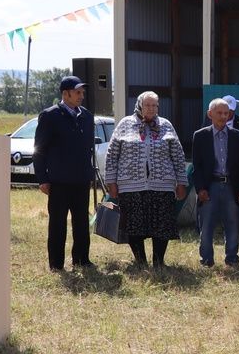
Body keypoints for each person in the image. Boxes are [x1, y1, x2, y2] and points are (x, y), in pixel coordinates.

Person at [104, 91, 188, 269]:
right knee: (135, 225)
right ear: (139, 106)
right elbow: (112, 155)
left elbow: (178, 156)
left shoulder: (165, 125)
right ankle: (141, 261)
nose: (151, 109)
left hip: (162, 185)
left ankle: (159, 262)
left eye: (154, 105)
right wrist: (111, 182)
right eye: (147, 105)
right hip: (130, 185)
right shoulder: (125, 124)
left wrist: (181, 182)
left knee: (162, 225)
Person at [33, 75, 96, 271]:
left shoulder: (86, 116)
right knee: (58, 224)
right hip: (59, 181)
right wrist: (42, 179)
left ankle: (81, 259)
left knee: (81, 223)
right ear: (65, 93)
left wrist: (89, 173)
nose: (81, 96)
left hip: (81, 179)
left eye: (82, 92)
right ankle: (56, 264)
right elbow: (39, 149)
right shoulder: (50, 115)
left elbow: (88, 148)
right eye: (77, 92)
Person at [190, 98, 239, 268]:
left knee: (232, 223)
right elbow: (197, 166)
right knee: (207, 224)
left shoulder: (238, 136)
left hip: (231, 185)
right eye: (219, 113)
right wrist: (200, 188)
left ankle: (232, 259)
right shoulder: (200, 136)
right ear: (210, 114)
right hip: (210, 185)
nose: (223, 116)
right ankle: (206, 260)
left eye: (226, 113)